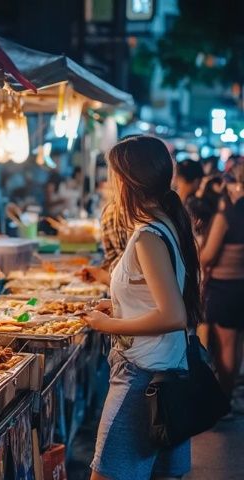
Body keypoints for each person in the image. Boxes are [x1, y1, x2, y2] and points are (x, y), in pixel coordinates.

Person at [83, 136, 201, 480]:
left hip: (143, 378)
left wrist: (107, 326)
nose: (110, 185)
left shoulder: (149, 235)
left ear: (128, 182)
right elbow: (157, 297)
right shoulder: (163, 223)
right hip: (163, 372)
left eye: (113, 176)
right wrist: (118, 306)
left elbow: (172, 314)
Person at [200, 163, 244, 401]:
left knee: (224, 347)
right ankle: (230, 395)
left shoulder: (227, 215)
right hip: (240, 287)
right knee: (236, 345)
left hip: (224, 289)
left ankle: (223, 400)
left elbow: (207, 256)